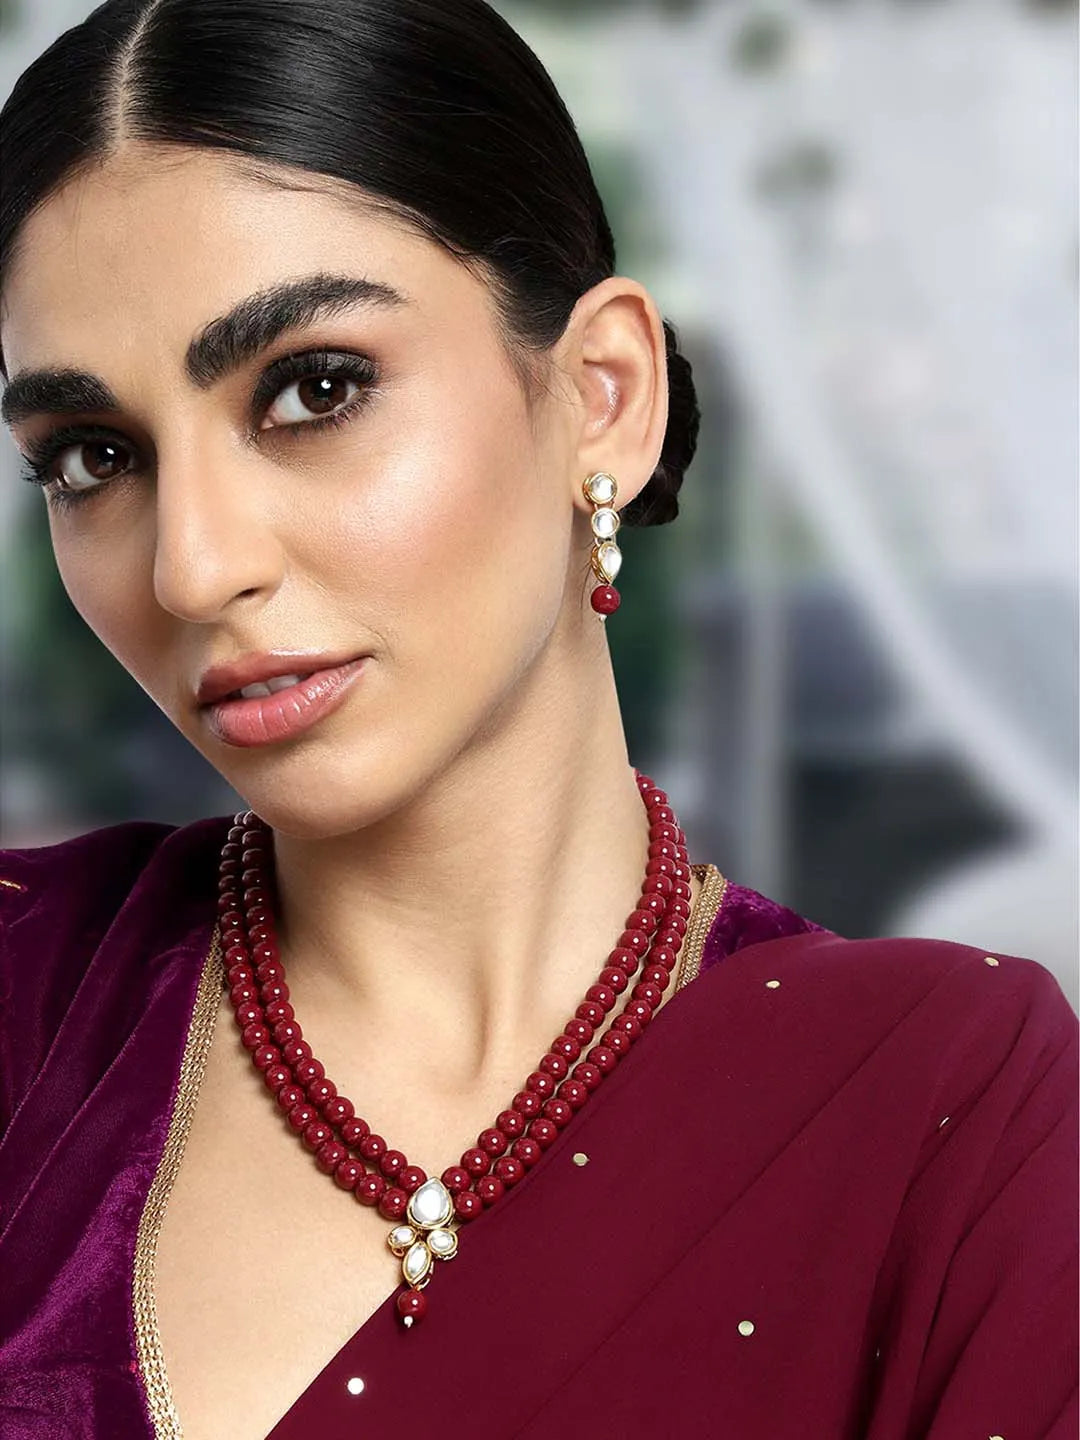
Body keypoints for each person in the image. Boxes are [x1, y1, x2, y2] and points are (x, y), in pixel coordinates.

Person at [0, 2, 1075, 1437]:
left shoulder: (944, 1103)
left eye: (315, 389)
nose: (192, 566)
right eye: (92, 458)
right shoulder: (24, 990)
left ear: (601, 399)